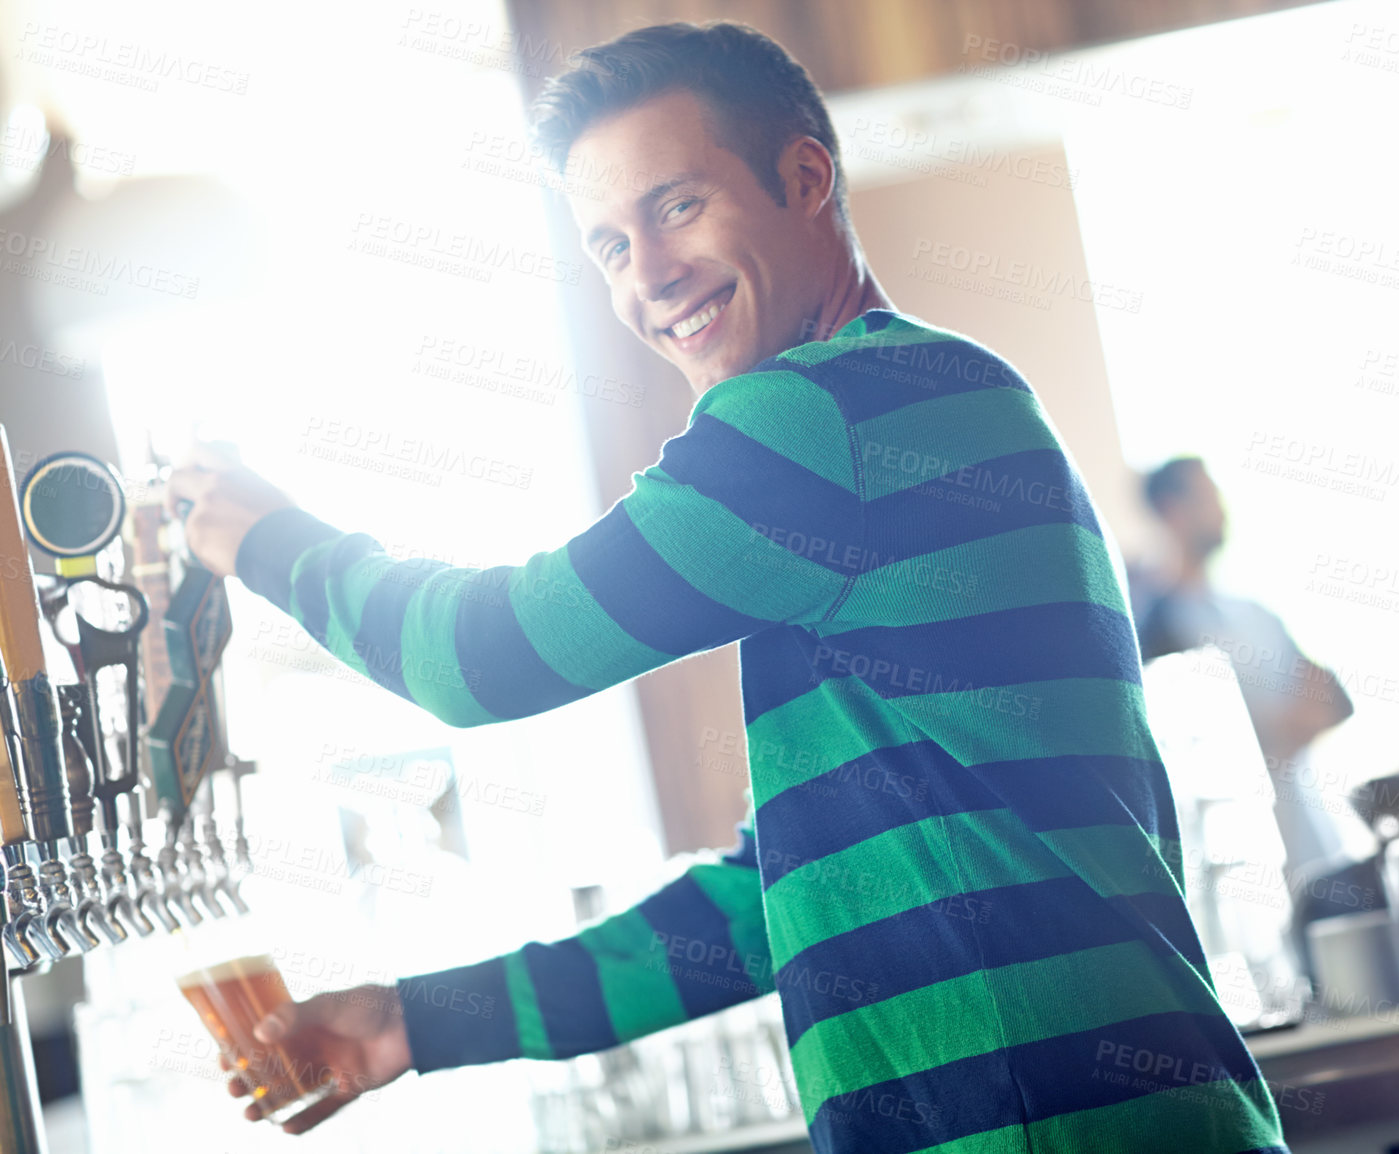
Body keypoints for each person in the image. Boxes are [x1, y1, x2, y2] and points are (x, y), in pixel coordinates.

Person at [169, 23, 1288, 1153]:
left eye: (675, 207)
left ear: (805, 178)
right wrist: (412, 1022)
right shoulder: (918, 401)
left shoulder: (824, 412)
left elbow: (480, 654)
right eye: (608, 245)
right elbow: (763, 902)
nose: (648, 276)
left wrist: (265, 539)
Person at [1129, 457, 1360, 879]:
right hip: (1244, 871)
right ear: (1172, 509)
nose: (1222, 509)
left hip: (1317, 848)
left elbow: (1335, 701)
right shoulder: (1153, 628)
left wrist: (1268, 732)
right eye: (1207, 496)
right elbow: (1199, 752)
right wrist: (1278, 728)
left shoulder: (1253, 612)